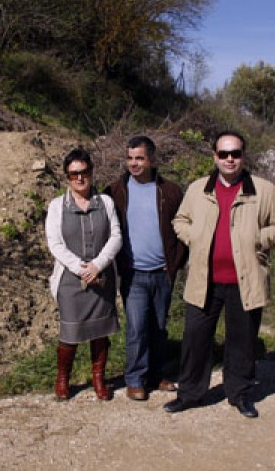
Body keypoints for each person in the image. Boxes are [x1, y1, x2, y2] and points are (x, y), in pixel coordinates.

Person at [163, 130, 275, 417]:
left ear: (244, 156)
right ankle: (190, 394)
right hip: (204, 281)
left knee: (242, 344)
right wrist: (194, 236)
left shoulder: (264, 190)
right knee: (195, 340)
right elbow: (179, 221)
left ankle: (240, 393)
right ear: (215, 157)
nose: (230, 159)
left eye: (236, 153)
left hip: (245, 282)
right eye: (224, 154)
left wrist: (258, 238)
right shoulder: (198, 189)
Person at [104, 136, 187, 401]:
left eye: (139, 158)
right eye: (130, 158)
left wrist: (175, 262)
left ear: (151, 159)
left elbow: (183, 229)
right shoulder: (115, 191)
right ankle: (135, 379)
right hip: (133, 273)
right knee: (137, 327)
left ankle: (157, 375)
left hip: (163, 272)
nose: (134, 163)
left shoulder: (171, 191)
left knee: (159, 327)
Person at [45, 149, 122, 401]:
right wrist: (80, 268)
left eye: (84, 172)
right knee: (70, 333)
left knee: (100, 333)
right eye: (73, 174)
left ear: (91, 172)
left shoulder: (106, 202)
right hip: (70, 280)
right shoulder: (57, 206)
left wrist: (98, 265)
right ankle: (63, 378)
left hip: (102, 278)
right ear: (67, 177)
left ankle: (99, 379)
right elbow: (55, 244)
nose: (79, 178)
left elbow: (116, 236)